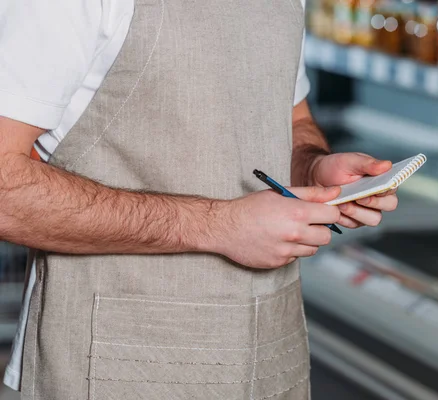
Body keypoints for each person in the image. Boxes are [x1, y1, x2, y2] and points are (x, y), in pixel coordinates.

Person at [0, 0, 399, 399]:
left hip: (270, 356)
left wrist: (312, 167)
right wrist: (218, 225)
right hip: (116, 367)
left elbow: (291, 119)